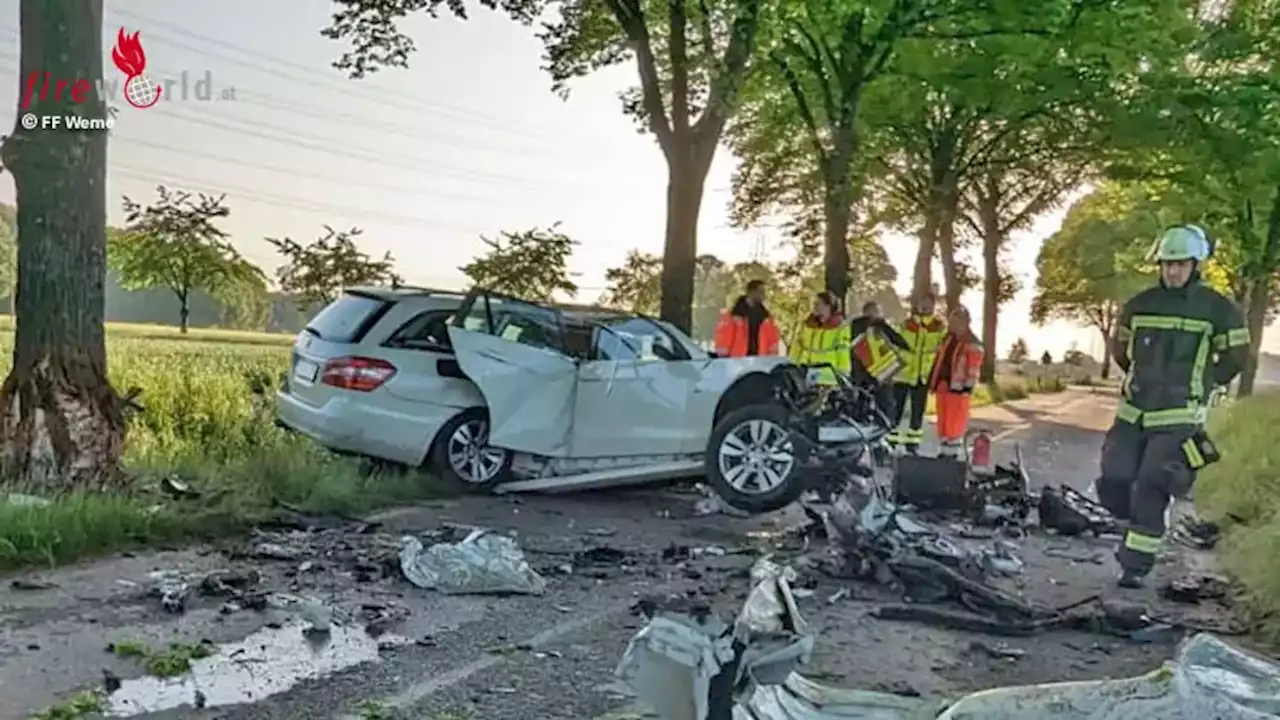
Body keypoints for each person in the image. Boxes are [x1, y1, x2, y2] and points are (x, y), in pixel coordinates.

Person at [1097, 225, 1249, 589]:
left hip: (1179, 415)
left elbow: (1237, 355)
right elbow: (1120, 351)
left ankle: (1134, 565)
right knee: (1114, 478)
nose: (1173, 271)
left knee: (1153, 482)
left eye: (1180, 264)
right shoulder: (1139, 305)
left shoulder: (1218, 309)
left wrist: (1204, 382)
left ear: (1195, 265)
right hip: (1133, 412)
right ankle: (1130, 522)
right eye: (1167, 264)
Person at [888, 293, 946, 453]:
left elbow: (941, 351)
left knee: (917, 411)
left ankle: (912, 444)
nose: (925, 307)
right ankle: (890, 442)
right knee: (896, 409)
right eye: (923, 303)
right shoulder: (906, 325)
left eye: (929, 304)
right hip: (903, 373)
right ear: (917, 305)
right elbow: (894, 345)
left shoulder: (939, 327)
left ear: (934, 306)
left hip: (923, 375)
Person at [930, 306, 984, 456]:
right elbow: (939, 361)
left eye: (956, 321)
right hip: (944, 386)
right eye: (951, 321)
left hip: (959, 389)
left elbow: (973, 369)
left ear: (966, 322)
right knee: (943, 422)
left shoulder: (972, 343)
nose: (952, 324)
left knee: (955, 423)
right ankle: (943, 451)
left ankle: (952, 453)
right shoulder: (948, 339)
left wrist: (967, 388)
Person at [789, 291, 851, 384]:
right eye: (814, 304)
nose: (814, 307)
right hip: (805, 375)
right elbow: (797, 347)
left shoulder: (840, 327)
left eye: (818, 304)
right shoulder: (806, 325)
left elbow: (843, 351)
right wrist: (790, 366)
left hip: (829, 377)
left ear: (828, 306)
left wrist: (843, 375)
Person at [714, 279, 781, 357]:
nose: (764, 296)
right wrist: (724, 358)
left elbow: (772, 341)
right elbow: (724, 339)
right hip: (738, 361)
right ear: (752, 292)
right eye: (761, 292)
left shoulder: (766, 318)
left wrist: (772, 358)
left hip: (760, 361)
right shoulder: (733, 315)